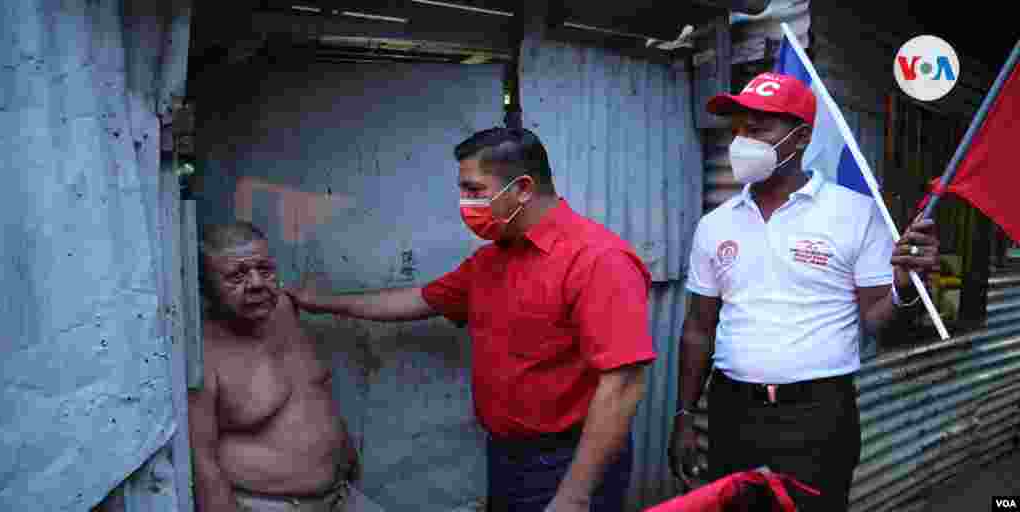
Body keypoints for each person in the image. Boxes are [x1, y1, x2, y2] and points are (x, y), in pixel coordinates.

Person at [284, 127, 657, 512]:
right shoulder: (493, 260)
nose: (465, 203)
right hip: (509, 457)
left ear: (523, 188)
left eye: (475, 190)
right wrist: (322, 302)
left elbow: (623, 384)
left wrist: (575, 496)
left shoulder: (597, 260)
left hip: (570, 462)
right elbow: (419, 300)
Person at [667, 72, 941, 511]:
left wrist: (904, 288)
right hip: (732, 412)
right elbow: (699, 329)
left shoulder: (854, 213)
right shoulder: (715, 225)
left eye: (759, 128)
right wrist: (683, 417)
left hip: (817, 417)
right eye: (739, 128)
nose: (743, 140)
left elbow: (875, 318)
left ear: (801, 138)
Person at [188, 221, 382, 512]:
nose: (256, 284)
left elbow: (312, 395)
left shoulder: (284, 310)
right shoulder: (201, 351)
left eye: (264, 270)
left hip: (339, 495)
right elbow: (202, 462)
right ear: (205, 288)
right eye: (236, 276)